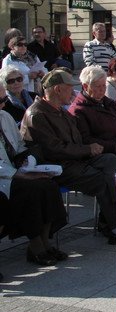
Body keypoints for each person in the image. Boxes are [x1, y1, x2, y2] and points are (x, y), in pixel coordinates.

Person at [20, 69, 116, 243]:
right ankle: (115, 227)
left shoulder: (60, 110)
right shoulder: (38, 114)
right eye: (69, 88)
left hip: (75, 160)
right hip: (58, 166)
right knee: (102, 179)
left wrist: (92, 148)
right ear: (57, 89)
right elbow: (54, 150)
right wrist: (87, 149)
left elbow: (76, 140)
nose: (73, 92)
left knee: (111, 162)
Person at [0, 84, 68, 267]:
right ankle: (36, 245)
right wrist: (18, 174)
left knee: (49, 185)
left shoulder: (4, 117)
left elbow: (19, 145)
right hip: (4, 178)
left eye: (4, 100)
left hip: (16, 170)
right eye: (0, 101)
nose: (3, 105)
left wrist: (26, 161)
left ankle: (45, 241)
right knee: (30, 191)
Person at [69, 65, 116, 161]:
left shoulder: (111, 104)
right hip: (105, 154)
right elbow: (86, 139)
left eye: (104, 85)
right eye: (98, 86)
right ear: (85, 86)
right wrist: (114, 146)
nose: (102, 89)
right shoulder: (79, 110)